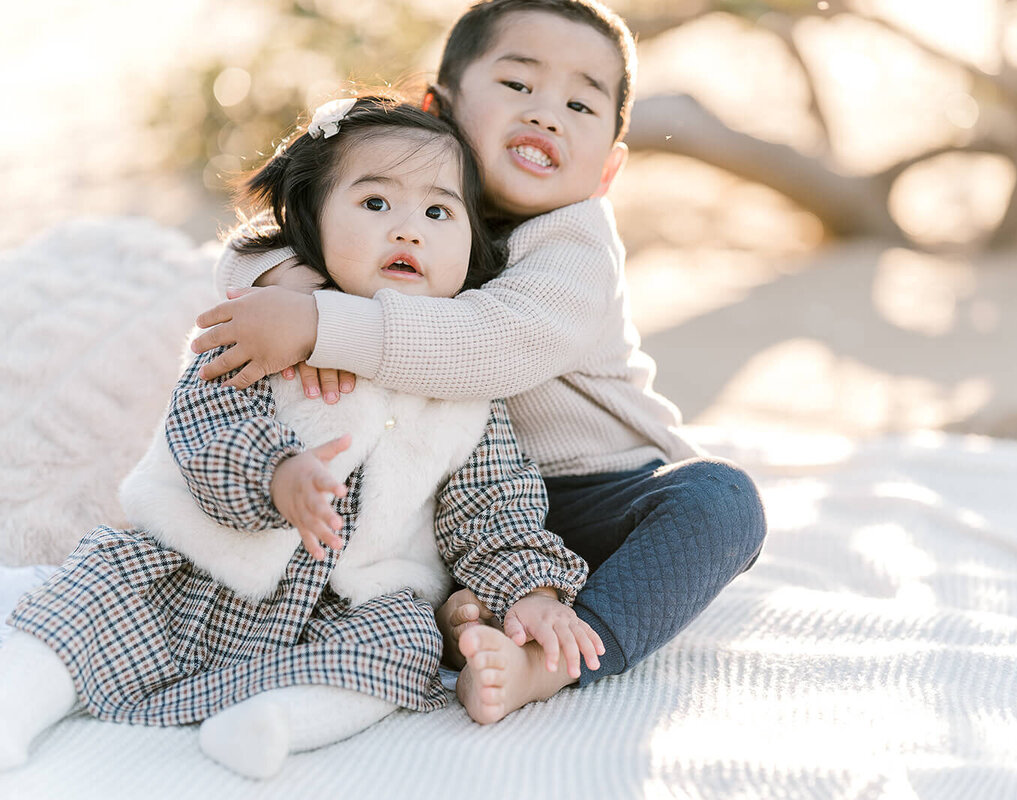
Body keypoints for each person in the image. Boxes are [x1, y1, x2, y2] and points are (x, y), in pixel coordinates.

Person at [190, 0, 768, 715]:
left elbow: (489, 345)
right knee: (359, 530)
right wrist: (293, 279)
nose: (547, 114)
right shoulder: (412, 209)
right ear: (439, 108)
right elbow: (266, 236)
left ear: (608, 170)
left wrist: (321, 323)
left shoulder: (573, 243)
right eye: (518, 85)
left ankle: (551, 658)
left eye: (581, 104)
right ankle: (466, 611)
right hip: (463, 497)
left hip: (600, 494)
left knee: (721, 502)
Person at [0, 94, 602, 780]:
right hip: (199, 571)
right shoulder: (271, 330)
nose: (408, 231)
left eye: (438, 212)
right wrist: (278, 475)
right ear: (310, 223)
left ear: (472, 252)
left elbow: (494, 505)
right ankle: (15, 701)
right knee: (98, 590)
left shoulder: (464, 387)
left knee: (402, 643)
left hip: (345, 605)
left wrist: (529, 594)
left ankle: (279, 719)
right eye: (376, 204)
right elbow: (204, 425)